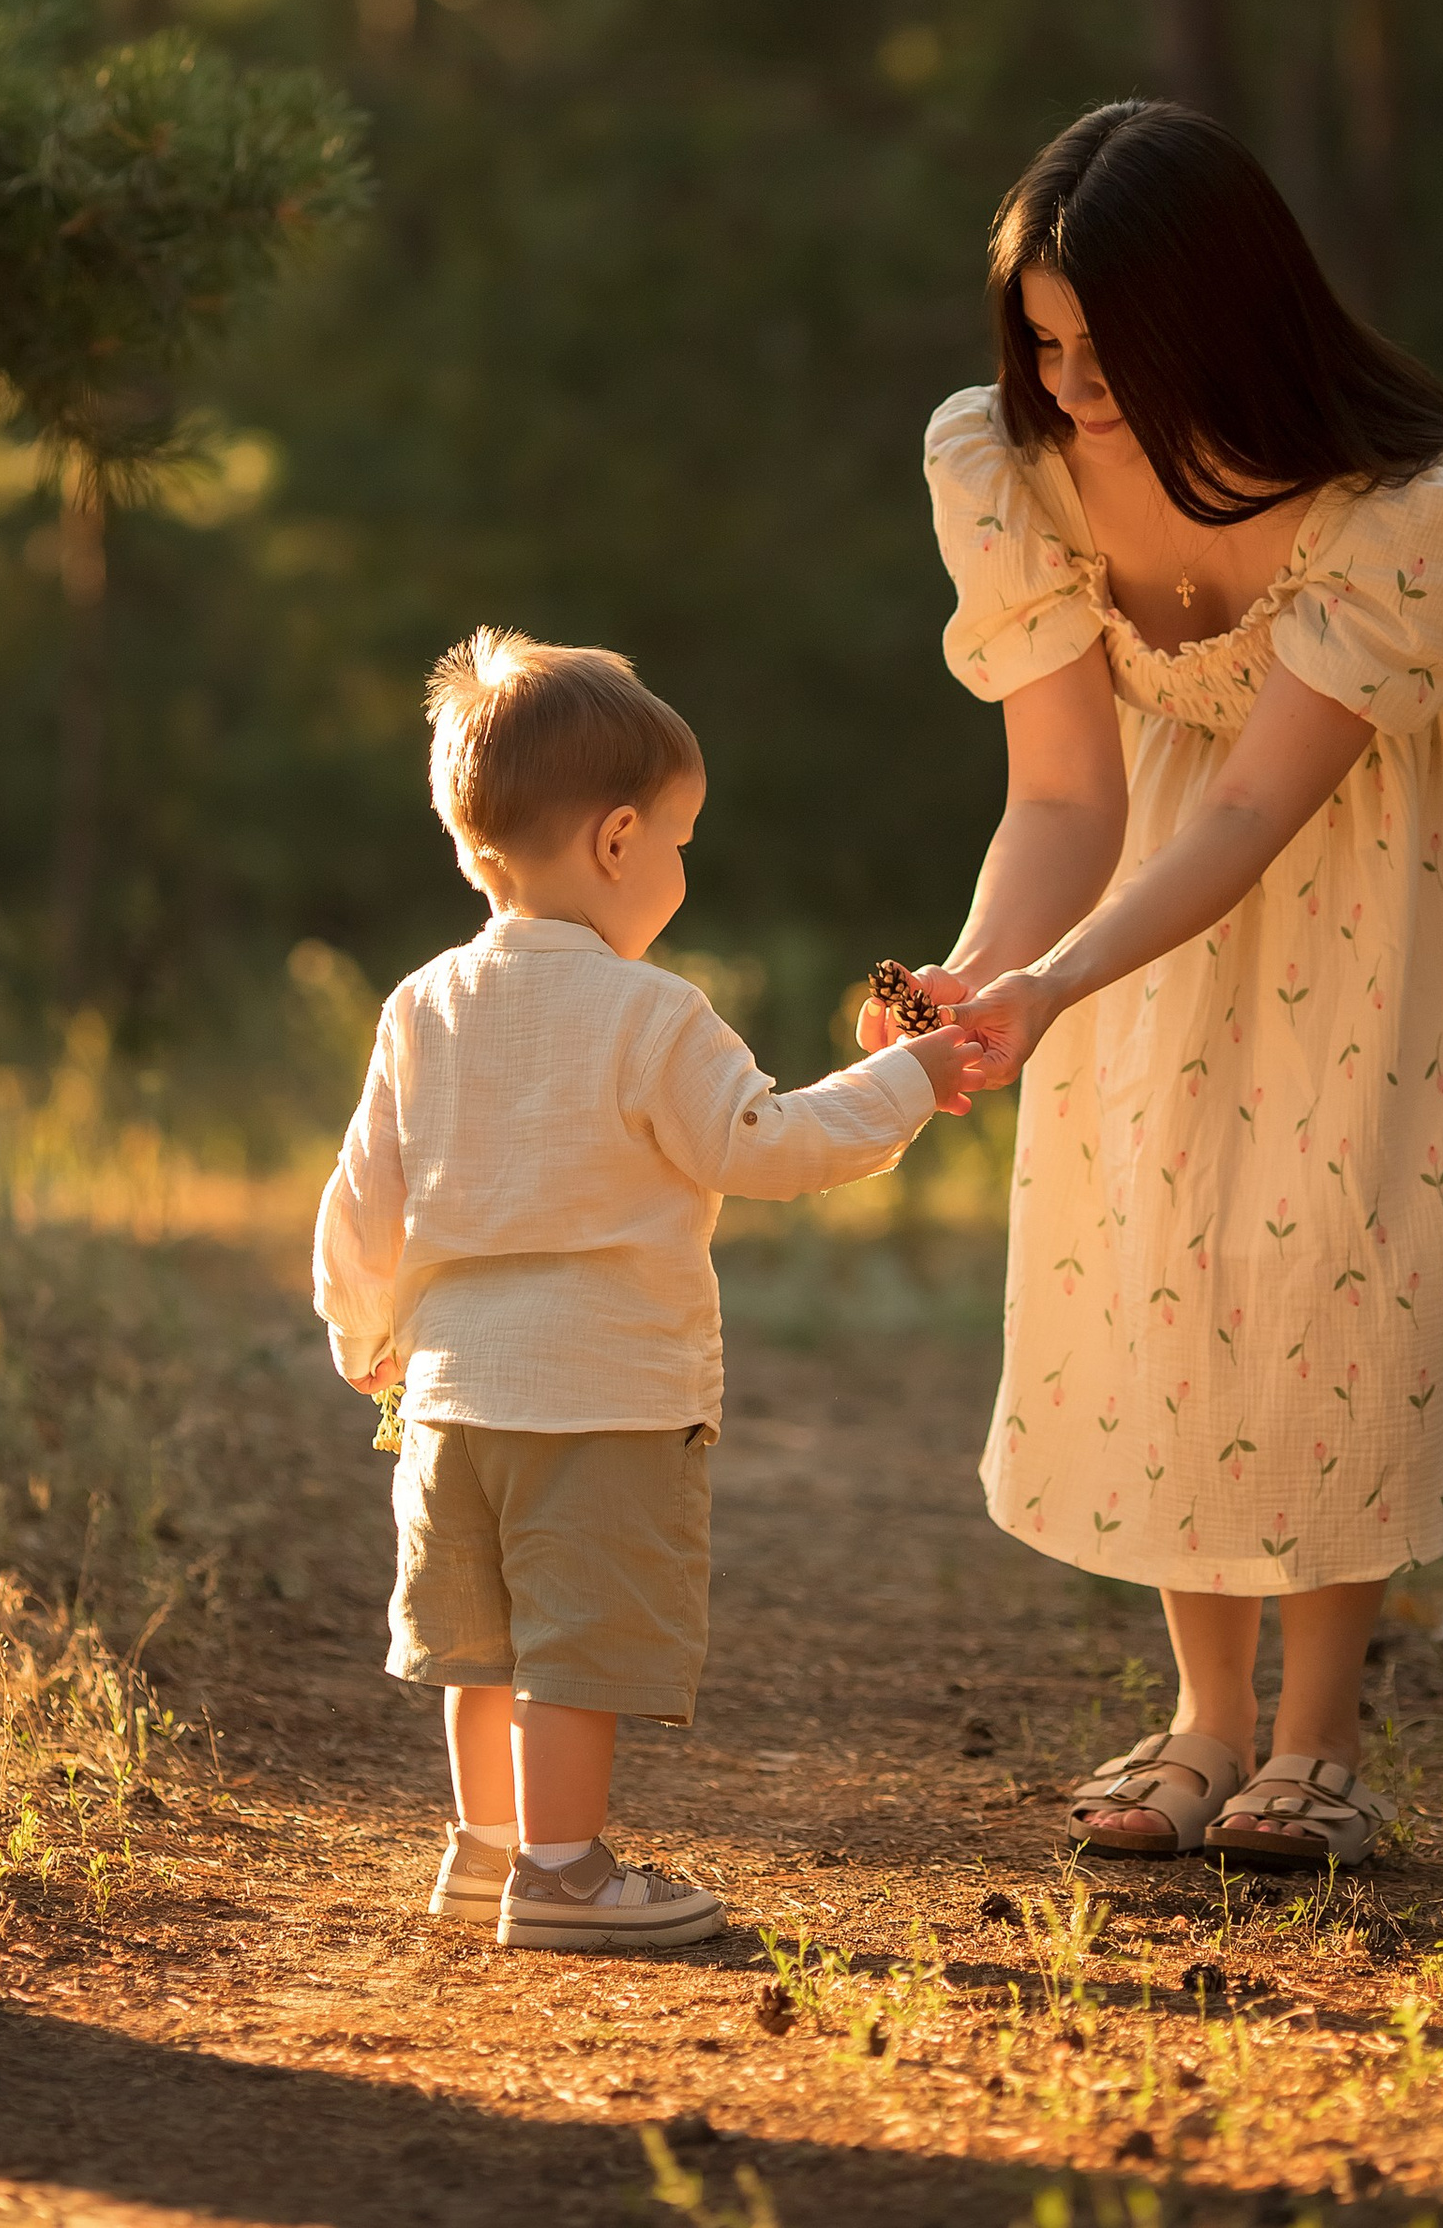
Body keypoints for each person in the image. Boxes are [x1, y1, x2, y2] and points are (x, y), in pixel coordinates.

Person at [865, 102, 1443, 1871]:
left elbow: (1254, 806)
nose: (1065, 384)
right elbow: (1066, 793)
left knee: (1327, 1229)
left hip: (1391, 850)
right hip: (1155, 849)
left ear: (1219, 315)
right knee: (1158, 1223)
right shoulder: (1006, 465)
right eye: (1042, 340)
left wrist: (1058, 981)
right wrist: (984, 975)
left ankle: (1318, 1735)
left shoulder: (1425, 509)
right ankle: (1205, 1721)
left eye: (1102, 344)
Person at [313, 626, 983, 1953]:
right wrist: (912, 1079)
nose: (680, 864)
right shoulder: (652, 1015)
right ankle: (561, 1876)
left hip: (448, 1400)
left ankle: (486, 1848)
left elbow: (362, 1194)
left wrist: (362, 1330)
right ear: (618, 841)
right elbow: (767, 1142)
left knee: (486, 1640)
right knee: (576, 1644)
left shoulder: (421, 1004)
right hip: (603, 1395)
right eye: (679, 838)